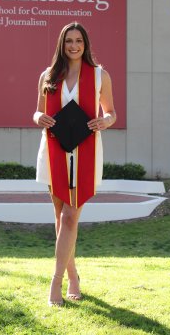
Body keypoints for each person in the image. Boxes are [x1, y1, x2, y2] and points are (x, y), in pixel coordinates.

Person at [33, 22, 116, 306]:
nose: (74, 45)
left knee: (71, 216)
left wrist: (104, 121)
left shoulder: (99, 75)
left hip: (86, 151)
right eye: (69, 40)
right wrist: (37, 119)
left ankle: (55, 283)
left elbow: (111, 112)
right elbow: (38, 111)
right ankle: (73, 276)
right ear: (62, 43)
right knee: (59, 218)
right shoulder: (48, 75)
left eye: (79, 40)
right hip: (54, 149)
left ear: (86, 44)